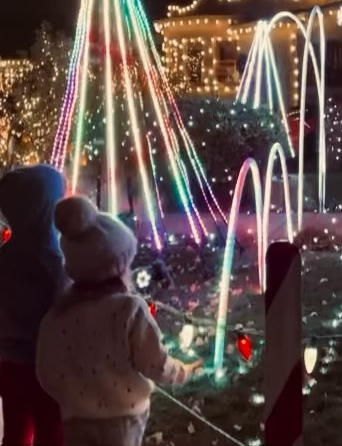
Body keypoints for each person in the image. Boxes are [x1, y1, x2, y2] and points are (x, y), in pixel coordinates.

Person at [36, 195, 201, 446]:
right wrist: (182, 371)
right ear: (118, 266)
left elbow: (46, 372)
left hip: (75, 420)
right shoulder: (128, 309)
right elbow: (154, 363)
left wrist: (74, 398)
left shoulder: (58, 314)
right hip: (123, 421)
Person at [0, 165, 67, 446]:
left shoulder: (4, 256)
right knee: (50, 431)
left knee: (16, 430)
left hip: (8, 362)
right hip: (45, 367)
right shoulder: (53, 262)